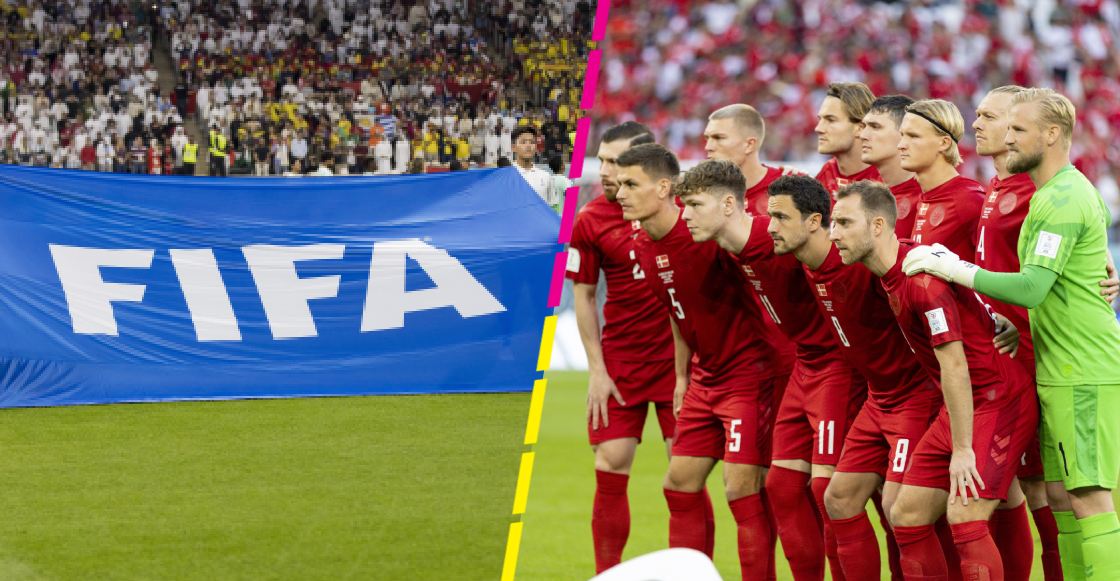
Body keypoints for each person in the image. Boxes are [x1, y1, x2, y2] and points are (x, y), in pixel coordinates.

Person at [903, 87, 1120, 581]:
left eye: (1014, 126)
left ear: (1050, 134)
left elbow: (1032, 286)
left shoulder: (1058, 197)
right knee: (1061, 497)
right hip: (1050, 362)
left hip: (1079, 368)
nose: (1001, 133)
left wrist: (953, 268)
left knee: (1086, 498)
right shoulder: (1044, 192)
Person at [833, 179, 1038, 581]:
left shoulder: (920, 282)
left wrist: (962, 450)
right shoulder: (901, 266)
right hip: (964, 405)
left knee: (965, 517)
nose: (833, 234)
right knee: (905, 515)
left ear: (877, 226)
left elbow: (955, 367)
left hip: (998, 401)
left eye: (844, 223)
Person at [674, 161, 868, 581]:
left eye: (694, 204)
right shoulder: (732, 250)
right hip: (804, 366)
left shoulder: (780, 238)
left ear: (729, 204)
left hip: (836, 366)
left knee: (832, 493)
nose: (684, 215)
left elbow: (846, 267)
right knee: (781, 487)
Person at [617, 143, 782, 581]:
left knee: (741, 489)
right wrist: (681, 375)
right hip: (704, 378)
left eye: (630, 184)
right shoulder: (642, 244)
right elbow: (678, 310)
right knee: (679, 484)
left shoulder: (710, 238)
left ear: (663, 189)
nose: (619, 193)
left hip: (748, 374)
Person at [564, 122, 681, 573]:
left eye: (615, 162)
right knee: (611, 463)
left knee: (683, 474)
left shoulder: (677, 213)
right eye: (602, 160)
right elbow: (584, 295)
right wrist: (596, 370)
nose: (605, 171)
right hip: (621, 362)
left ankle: (692, 569)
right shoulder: (590, 218)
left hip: (676, 363)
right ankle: (606, 573)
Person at [899, 100, 985, 260]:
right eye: (902, 135)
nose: (901, 145)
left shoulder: (970, 200)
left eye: (913, 136)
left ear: (944, 143)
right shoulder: (924, 196)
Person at [859, 95, 923, 237]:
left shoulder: (925, 197)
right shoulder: (865, 191)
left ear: (904, 134)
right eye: (864, 126)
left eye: (875, 127)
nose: (863, 135)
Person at [814, 82, 881, 197]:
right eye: (820, 119)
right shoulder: (827, 172)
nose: (818, 128)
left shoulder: (885, 180)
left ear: (860, 128)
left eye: (831, 120)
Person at [512, 125, 551, 200]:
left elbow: (553, 205)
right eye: (523, 142)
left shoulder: (546, 176)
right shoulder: (505, 177)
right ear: (513, 147)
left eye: (532, 142)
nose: (528, 145)